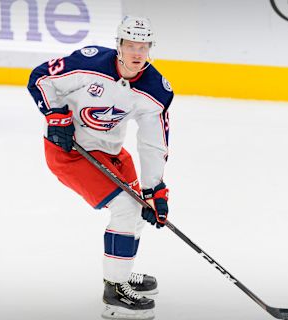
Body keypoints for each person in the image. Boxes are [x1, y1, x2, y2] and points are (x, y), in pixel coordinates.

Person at [27, 16, 173, 320]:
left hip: (110, 151)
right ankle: (115, 290)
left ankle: (121, 270)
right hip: (68, 150)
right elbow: (40, 78)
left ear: (150, 49)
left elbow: (152, 143)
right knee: (125, 208)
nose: (136, 52)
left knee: (140, 205)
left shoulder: (155, 90)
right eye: (130, 44)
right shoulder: (89, 63)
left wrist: (155, 188)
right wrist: (55, 116)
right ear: (118, 45)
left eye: (143, 46)